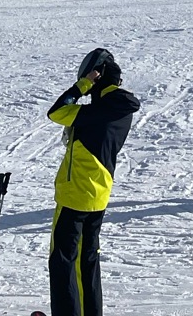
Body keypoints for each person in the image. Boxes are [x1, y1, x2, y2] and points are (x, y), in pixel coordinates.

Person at [47, 48, 139, 316]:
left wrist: (83, 85)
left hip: (76, 195)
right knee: (87, 262)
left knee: (64, 263)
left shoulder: (99, 111)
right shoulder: (119, 109)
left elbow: (56, 112)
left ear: (98, 78)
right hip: (97, 195)